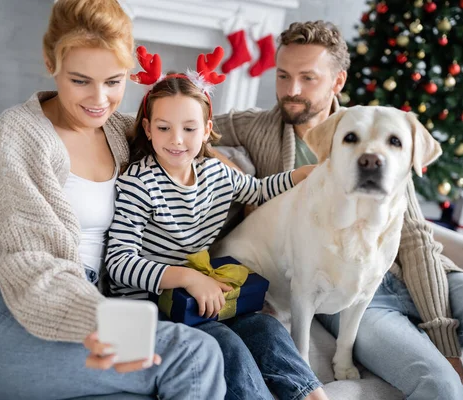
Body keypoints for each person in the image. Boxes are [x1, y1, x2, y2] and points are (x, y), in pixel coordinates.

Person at [212, 20, 463, 400]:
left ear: (337, 81)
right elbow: (178, 128)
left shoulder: (382, 131)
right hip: (340, 286)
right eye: (283, 76)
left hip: (411, 270)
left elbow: (416, 239)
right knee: (441, 387)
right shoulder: (256, 126)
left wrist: (441, 331)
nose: (291, 90)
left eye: (308, 78)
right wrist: (220, 164)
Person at [0, 1, 226, 399]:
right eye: (81, 81)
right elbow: (28, 260)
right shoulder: (20, 133)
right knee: (193, 355)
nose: (99, 98)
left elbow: (195, 139)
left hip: (88, 310)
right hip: (4, 311)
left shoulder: (120, 130)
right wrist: (101, 321)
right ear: (51, 62)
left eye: (113, 81)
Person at [104, 67, 328, 400]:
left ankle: (310, 395)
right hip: (151, 302)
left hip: (197, 297)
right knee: (224, 344)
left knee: (265, 327)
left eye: (189, 128)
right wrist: (186, 278)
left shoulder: (215, 173)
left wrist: (300, 176)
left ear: (207, 130)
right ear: (148, 130)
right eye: (164, 128)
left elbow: (257, 190)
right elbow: (118, 262)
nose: (177, 139)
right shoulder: (139, 184)